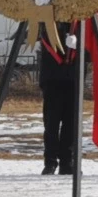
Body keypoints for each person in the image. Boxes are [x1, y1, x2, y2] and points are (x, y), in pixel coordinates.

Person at [37, 20, 79, 176]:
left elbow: (89, 52)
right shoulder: (49, 20)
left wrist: (79, 44)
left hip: (73, 80)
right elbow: (46, 43)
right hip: (53, 79)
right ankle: (50, 162)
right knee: (51, 125)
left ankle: (68, 163)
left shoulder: (80, 23)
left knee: (71, 125)